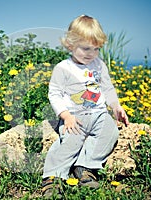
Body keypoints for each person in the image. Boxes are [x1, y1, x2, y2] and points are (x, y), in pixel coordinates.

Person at [42, 14, 129, 197]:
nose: (91, 54)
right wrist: (65, 116)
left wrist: (116, 107)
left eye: (96, 49)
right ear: (70, 45)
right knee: (70, 142)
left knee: (110, 133)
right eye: (86, 48)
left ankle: (85, 167)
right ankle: (53, 177)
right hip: (75, 116)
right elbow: (54, 94)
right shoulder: (63, 68)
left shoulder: (99, 65)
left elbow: (107, 88)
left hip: (99, 113)